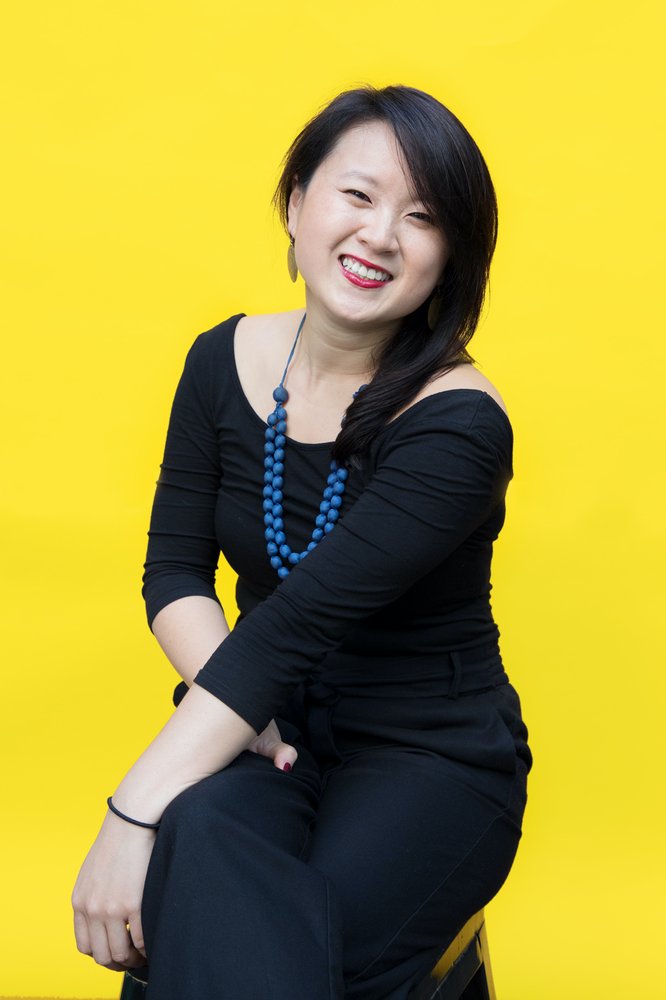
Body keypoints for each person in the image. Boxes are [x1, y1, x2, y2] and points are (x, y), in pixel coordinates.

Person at [72, 84, 533, 1000]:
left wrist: (130, 813)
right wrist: (242, 721)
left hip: (427, 753)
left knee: (292, 944)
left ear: (451, 259)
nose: (380, 235)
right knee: (198, 872)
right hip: (258, 721)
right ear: (296, 203)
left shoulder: (459, 424)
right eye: (356, 196)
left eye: (422, 216)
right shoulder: (220, 360)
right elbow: (173, 571)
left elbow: (298, 624)